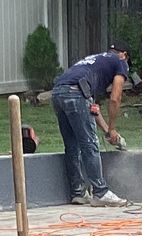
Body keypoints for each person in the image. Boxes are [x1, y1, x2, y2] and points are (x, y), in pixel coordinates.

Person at [51, 44, 131, 206]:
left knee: (72, 145)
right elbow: (115, 98)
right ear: (124, 54)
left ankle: (78, 192)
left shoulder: (94, 62)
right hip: (76, 93)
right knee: (90, 143)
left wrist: (109, 132)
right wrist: (113, 127)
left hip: (58, 93)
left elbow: (92, 110)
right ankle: (100, 192)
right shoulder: (120, 61)